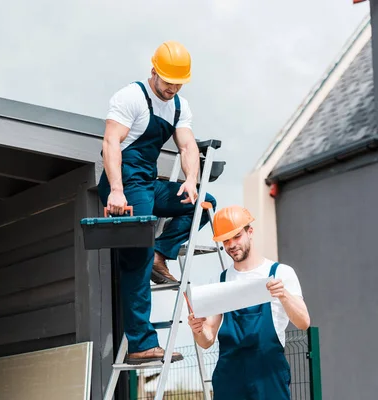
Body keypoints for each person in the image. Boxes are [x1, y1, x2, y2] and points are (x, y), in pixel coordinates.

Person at [97, 40, 216, 364]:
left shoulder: (179, 106)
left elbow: (188, 146)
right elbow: (111, 142)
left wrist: (191, 182)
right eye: (167, 83)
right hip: (124, 182)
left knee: (203, 203)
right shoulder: (131, 97)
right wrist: (117, 191)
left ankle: (162, 254)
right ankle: (141, 344)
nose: (171, 89)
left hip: (148, 182)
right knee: (137, 257)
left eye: (178, 84)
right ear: (154, 71)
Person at [187, 205, 311, 399]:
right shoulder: (220, 282)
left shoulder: (280, 273)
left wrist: (283, 295)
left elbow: (304, 322)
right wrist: (198, 329)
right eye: (226, 240)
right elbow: (206, 340)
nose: (231, 244)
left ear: (250, 232)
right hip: (230, 380)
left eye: (237, 236)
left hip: (268, 377)